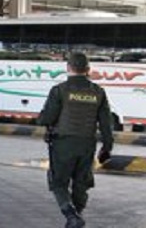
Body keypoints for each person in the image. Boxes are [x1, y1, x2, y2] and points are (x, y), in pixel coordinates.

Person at [38, 52, 114, 228]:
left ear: (68, 68)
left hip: (63, 144)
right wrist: (107, 147)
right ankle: (77, 216)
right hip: (87, 144)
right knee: (81, 183)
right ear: (88, 70)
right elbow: (106, 124)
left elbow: (47, 118)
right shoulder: (98, 92)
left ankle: (71, 215)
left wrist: (41, 118)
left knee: (58, 182)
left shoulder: (59, 90)